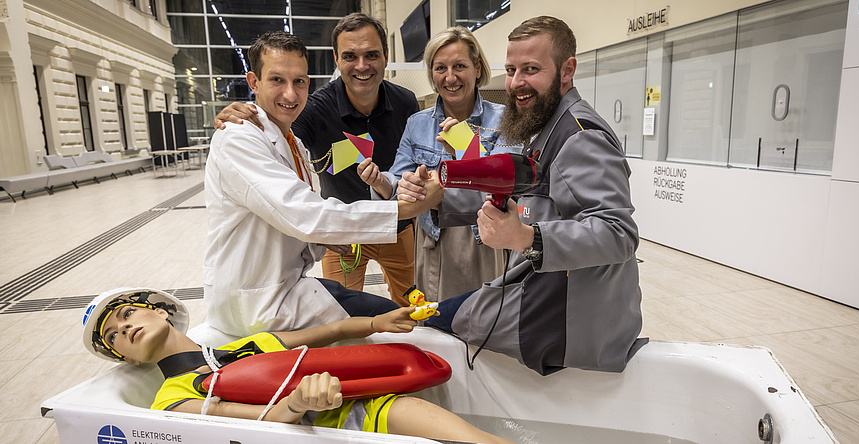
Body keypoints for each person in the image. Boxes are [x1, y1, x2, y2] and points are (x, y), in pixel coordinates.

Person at [402, 16, 647, 375]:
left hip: (565, 316)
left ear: (567, 70)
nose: (516, 83)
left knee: (431, 323)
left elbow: (617, 233)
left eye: (531, 69)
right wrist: (439, 198)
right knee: (440, 314)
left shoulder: (580, 136)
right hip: (542, 290)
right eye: (512, 70)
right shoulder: (545, 126)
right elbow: (528, 195)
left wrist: (526, 237)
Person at [204, 31, 439, 338]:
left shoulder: (292, 141)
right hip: (258, 300)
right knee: (387, 327)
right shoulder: (243, 136)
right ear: (253, 83)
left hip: (339, 242)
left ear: (385, 57)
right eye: (277, 80)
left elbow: (288, 210)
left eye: (299, 81)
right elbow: (301, 212)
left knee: (406, 313)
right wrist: (406, 207)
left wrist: (322, 238)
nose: (290, 94)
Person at [80, 287, 514, 444]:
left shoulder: (245, 346)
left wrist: (379, 322)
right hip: (315, 431)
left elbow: (326, 334)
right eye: (114, 338)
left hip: (363, 410)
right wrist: (298, 402)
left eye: (126, 315)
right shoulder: (171, 397)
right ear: (126, 358)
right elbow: (254, 420)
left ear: (159, 310)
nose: (124, 330)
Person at [358, 27, 516, 303]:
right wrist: (382, 183)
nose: (450, 77)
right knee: (434, 322)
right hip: (432, 239)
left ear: (477, 68)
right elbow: (398, 182)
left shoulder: (504, 120)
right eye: (440, 67)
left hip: (484, 241)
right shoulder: (417, 123)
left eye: (460, 66)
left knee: (483, 323)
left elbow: (510, 185)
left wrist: (467, 148)